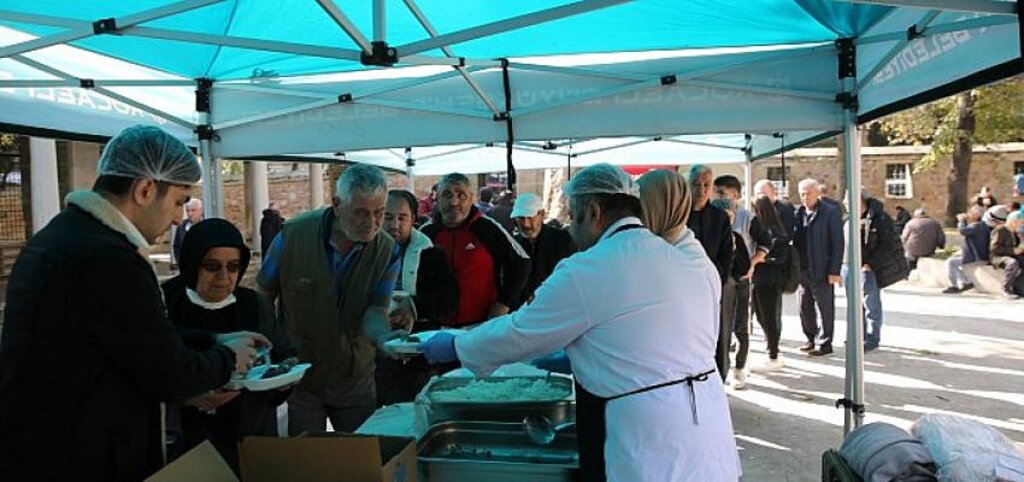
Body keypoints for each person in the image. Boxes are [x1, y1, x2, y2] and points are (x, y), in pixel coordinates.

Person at [420, 164, 740, 482]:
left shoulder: (587, 268)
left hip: (648, 435)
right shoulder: (684, 259)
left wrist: (456, 344)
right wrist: (583, 356)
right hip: (706, 422)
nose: (570, 229)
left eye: (573, 218)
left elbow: (520, 331)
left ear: (593, 212)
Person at [0, 125, 263, 480]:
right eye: (179, 201)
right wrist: (228, 359)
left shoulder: (61, 237)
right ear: (144, 190)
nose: (176, 218)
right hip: (77, 458)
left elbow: (129, 339)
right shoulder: (107, 258)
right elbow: (170, 373)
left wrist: (211, 341)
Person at [257, 163, 403, 435]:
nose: (371, 223)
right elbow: (265, 293)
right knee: (309, 461)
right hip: (301, 376)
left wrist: (384, 339)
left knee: (361, 458)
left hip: (355, 377)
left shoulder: (387, 251)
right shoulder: (292, 237)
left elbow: (376, 308)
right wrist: (272, 349)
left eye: (379, 213)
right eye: (361, 213)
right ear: (337, 205)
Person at [162, 219, 295, 473]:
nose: (223, 278)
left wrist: (283, 379)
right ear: (191, 263)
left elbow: (283, 354)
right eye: (211, 267)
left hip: (250, 438)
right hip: (187, 442)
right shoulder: (167, 303)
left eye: (233, 267)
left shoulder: (253, 305)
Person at [374, 190, 459, 405]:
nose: (394, 225)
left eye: (402, 218)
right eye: (388, 217)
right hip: (376, 356)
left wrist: (414, 306)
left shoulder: (430, 253)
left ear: (414, 219)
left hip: (420, 356)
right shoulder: (365, 252)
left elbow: (449, 299)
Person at [420, 173, 530, 325]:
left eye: (461, 195)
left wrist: (504, 303)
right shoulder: (426, 234)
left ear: (471, 199)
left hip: (481, 324)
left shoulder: (487, 228)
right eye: (447, 195)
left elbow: (521, 261)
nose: (454, 202)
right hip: (435, 326)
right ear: (437, 199)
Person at [713, 175, 768, 389]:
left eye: (721, 192)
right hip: (721, 280)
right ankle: (721, 369)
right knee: (721, 328)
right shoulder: (711, 216)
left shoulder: (747, 218)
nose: (717, 196)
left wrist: (752, 264)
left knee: (741, 325)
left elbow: (766, 243)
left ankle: (739, 367)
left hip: (742, 279)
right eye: (716, 192)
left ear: (735, 195)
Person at [793, 178, 844, 358]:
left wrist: (834, 271)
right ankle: (810, 338)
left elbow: (838, 244)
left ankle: (824, 343)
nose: (805, 197)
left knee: (825, 308)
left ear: (817, 194)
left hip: (822, 269)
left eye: (808, 194)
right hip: (803, 269)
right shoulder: (798, 213)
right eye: (802, 194)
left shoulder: (830, 213)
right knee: (804, 306)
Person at [748, 196, 792, 372]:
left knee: (769, 318)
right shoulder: (764, 228)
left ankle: (773, 354)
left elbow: (780, 257)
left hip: (770, 280)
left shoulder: (775, 231)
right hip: (760, 280)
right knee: (761, 316)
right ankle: (771, 350)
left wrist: (760, 258)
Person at [511, 193, 577, 309]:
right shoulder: (513, 245)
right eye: (521, 218)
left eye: (530, 217)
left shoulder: (563, 240)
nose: (526, 224)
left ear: (542, 214)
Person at [857, 189, 900, 351]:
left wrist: (870, 264)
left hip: (869, 268)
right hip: (853, 268)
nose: (845, 202)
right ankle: (858, 335)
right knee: (857, 305)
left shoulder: (879, 218)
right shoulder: (851, 217)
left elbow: (887, 244)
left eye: (848, 199)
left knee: (871, 304)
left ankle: (872, 337)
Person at [687, 165, 733, 285]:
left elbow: (726, 254)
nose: (701, 190)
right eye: (696, 184)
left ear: (712, 187)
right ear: (689, 186)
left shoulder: (720, 217)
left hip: (712, 280)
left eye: (706, 185)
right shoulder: (678, 215)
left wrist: (719, 279)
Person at [943, 205, 990, 294]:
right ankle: (965, 282)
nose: (968, 214)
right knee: (954, 261)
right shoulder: (981, 225)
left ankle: (956, 285)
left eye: (971, 213)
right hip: (975, 255)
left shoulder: (977, 226)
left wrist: (961, 221)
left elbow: (962, 231)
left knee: (951, 262)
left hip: (977, 257)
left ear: (976, 215)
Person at [989, 208, 1023, 300]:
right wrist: (1013, 250)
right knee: (1012, 263)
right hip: (997, 257)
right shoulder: (1000, 230)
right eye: (1021, 222)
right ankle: (1005, 289)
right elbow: (994, 248)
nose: (1022, 224)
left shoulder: (1016, 233)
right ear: (1013, 222)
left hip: (1011, 255)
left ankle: (1019, 288)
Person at [173, 198, 204, 264]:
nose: (190, 214)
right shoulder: (181, 226)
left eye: (193, 210)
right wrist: (180, 262)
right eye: (188, 211)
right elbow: (176, 246)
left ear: (201, 210)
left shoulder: (207, 226)